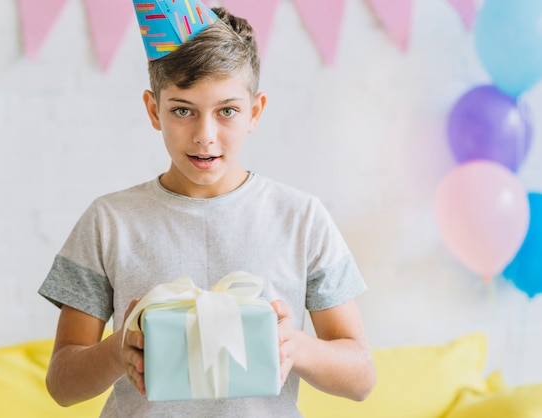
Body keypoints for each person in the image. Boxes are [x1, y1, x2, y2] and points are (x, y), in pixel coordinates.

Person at [38, 2, 376, 417]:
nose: (205, 136)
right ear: (152, 110)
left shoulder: (301, 218)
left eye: (227, 111)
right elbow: (62, 385)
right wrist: (115, 351)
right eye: (183, 110)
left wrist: (297, 346)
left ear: (254, 112)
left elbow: (362, 378)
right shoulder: (109, 222)